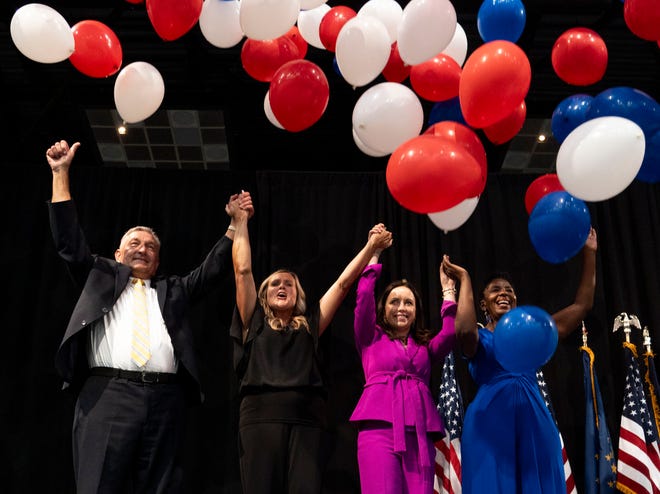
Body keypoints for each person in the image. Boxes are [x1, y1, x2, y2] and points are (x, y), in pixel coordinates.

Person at [46, 139, 249, 493]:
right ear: (117, 253)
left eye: (151, 246)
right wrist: (61, 173)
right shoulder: (100, 275)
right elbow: (69, 242)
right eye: (135, 244)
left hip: (165, 402)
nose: (143, 249)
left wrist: (234, 225)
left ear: (158, 260)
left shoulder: (172, 289)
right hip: (108, 395)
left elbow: (212, 271)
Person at [229, 196, 392, 494]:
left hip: (307, 421)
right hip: (260, 419)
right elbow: (243, 271)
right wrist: (240, 222)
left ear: (298, 294)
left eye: (289, 284)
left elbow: (343, 285)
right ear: (263, 296)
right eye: (275, 283)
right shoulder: (253, 321)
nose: (282, 287)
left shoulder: (310, 326)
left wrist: (371, 248)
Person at [444, 227, 598, 494]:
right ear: (483, 303)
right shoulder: (478, 337)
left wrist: (590, 253)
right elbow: (464, 330)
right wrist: (465, 279)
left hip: (534, 419)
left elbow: (581, 306)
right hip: (489, 422)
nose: (503, 293)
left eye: (509, 290)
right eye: (495, 290)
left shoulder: (532, 334)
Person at [349, 235, 474, 494]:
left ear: (416, 311)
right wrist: (374, 255)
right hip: (379, 431)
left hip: (419, 435)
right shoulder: (370, 336)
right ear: (383, 308)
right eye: (394, 302)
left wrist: (448, 290)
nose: (401, 308)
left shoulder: (424, 348)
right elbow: (362, 301)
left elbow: (450, 335)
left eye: (408, 302)